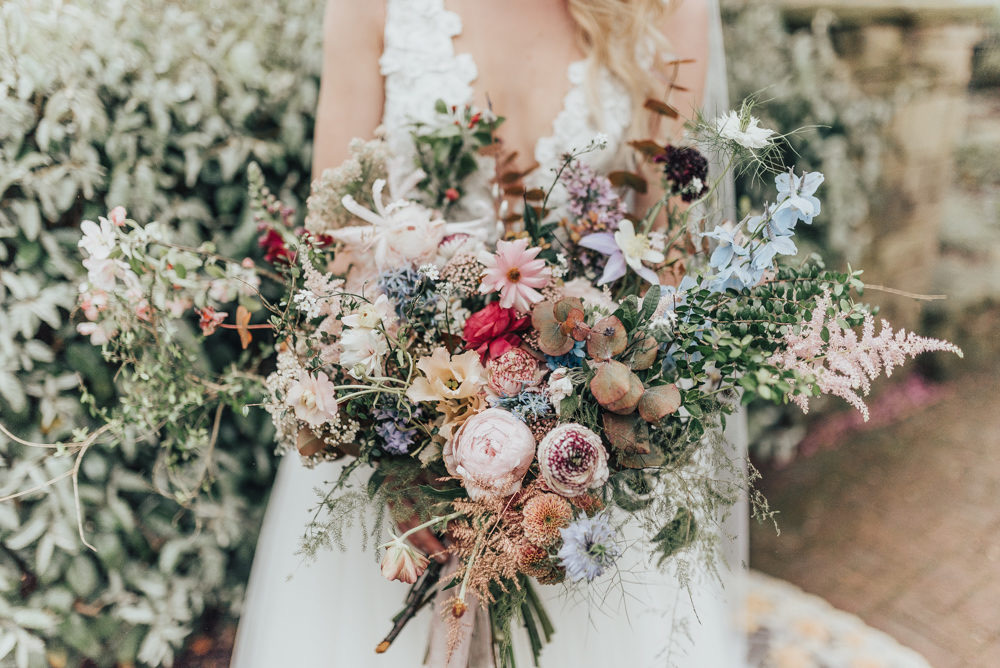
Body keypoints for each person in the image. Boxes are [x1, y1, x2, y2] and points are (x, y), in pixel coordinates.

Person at [232, 1, 747, 665]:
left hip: (588, 458)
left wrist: (595, 426)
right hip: (400, 438)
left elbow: (665, 246)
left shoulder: (661, 8)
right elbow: (334, 243)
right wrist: (391, 450)